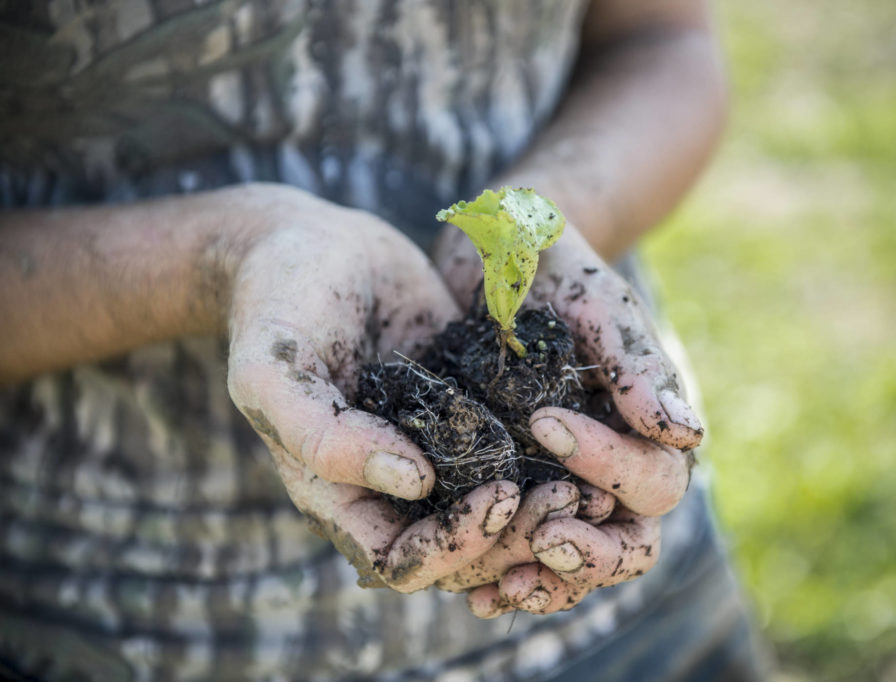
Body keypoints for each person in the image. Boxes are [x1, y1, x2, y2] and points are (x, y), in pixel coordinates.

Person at [0, 0, 764, 679]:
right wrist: (219, 258)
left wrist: (542, 216)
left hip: (631, 631)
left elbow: (659, 37)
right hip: (116, 624)